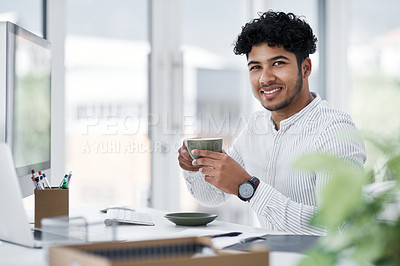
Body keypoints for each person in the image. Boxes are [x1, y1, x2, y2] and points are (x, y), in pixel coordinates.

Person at [177, 11, 366, 235]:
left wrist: (249, 188)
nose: (265, 78)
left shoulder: (335, 131)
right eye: (255, 67)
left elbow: (338, 228)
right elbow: (213, 196)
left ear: (305, 68)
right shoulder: (256, 127)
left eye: (277, 63)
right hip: (269, 255)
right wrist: (193, 169)